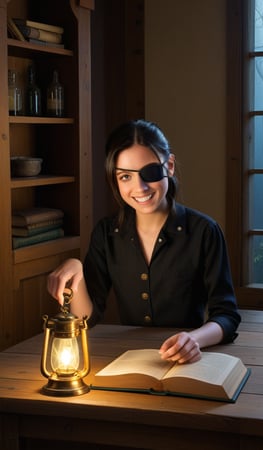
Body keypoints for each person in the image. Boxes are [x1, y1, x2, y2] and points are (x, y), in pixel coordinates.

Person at [47, 119, 241, 364]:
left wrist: (193, 340)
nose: (140, 187)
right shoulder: (106, 233)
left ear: (169, 166)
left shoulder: (204, 231)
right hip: (127, 359)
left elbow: (227, 315)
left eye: (149, 172)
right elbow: (88, 317)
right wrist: (77, 272)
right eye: (125, 177)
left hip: (187, 360)